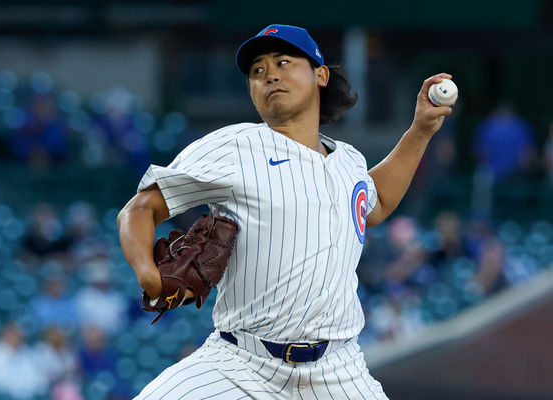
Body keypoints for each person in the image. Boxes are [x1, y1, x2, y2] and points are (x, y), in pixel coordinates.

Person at [117, 24, 454, 399]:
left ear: (320, 75)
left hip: (338, 371)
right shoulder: (235, 146)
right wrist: (147, 273)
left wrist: (420, 130)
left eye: (283, 62)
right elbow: (141, 208)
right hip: (240, 366)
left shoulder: (349, 162)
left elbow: (377, 204)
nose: (270, 74)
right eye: (257, 71)